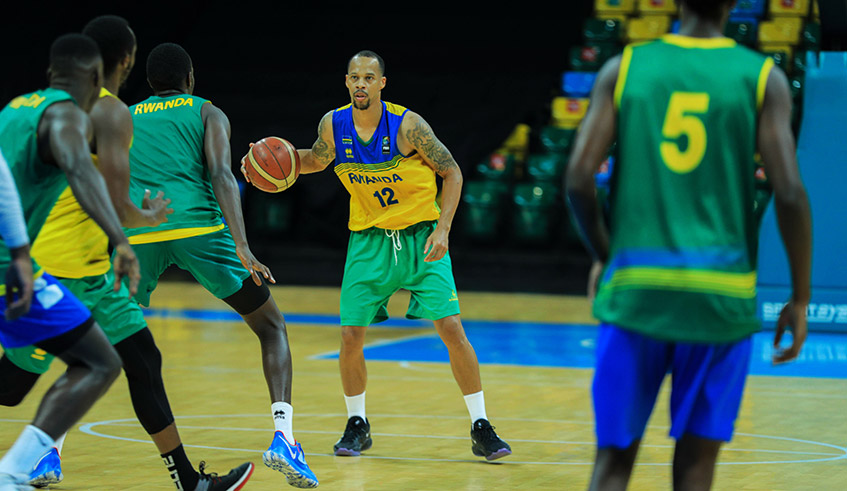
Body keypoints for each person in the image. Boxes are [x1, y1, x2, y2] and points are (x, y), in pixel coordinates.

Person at [565, 1, 813, 489]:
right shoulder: (763, 77)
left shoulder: (626, 67)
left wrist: (605, 256)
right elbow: (788, 192)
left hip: (637, 290)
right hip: (720, 299)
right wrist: (801, 297)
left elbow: (577, 177)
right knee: (696, 471)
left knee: (613, 465)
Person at [0, 16, 254, 490]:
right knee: (13, 387)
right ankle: (16, 469)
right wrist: (135, 224)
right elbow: (109, 197)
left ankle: (187, 481)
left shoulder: (21, 108)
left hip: (88, 272)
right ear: (126, 60)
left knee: (141, 360)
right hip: (61, 267)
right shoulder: (108, 111)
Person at [244, 50, 511, 461]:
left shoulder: (409, 126)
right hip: (369, 240)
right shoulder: (332, 125)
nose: (360, 84)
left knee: (452, 328)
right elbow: (316, 159)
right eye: (354, 77)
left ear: (382, 83)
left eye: (369, 77)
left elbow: (452, 170)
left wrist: (443, 229)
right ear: (347, 82)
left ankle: (481, 425)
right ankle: (357, 424)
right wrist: (265, 163)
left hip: (422, 236)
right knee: (350, 335)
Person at [125, 42, 317, 488]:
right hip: (200, 232)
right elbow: (220, 173)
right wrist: (243, 246)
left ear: (149, 83)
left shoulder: (126, 117)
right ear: (190, 78)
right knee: (271, 327)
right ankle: (284, 438)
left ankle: (47, 451)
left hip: (141, 234)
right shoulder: (208, 111)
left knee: (98, 347)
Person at [0, 33, 134, 490]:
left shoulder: (15, 108)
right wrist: (122, 240)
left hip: (16, 260)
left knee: (12, 385)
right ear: (97, 80)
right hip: (9, 268)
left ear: (50, 74)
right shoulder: (67, 116)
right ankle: (14, 472)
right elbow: (81, 171)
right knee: (100, 362)